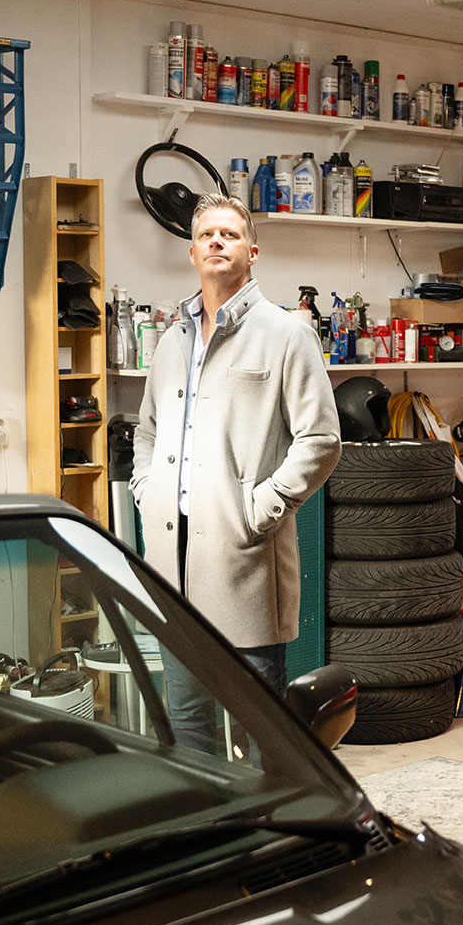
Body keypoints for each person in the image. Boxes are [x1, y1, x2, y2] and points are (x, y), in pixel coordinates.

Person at [130, 193, 340, 755]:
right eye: (206, 235)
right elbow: (147, 432)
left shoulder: (286, 335)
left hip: (241, 560)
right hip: (171, 568)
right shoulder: (172, 341)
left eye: (229, 234)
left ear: (253, 251)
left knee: (260, 733)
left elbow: (321, 440)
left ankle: (268, 834)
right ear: (191, 252)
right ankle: (206, 833)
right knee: (186, 728)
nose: (216, 242)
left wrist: (263, 507)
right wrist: (147, 492)